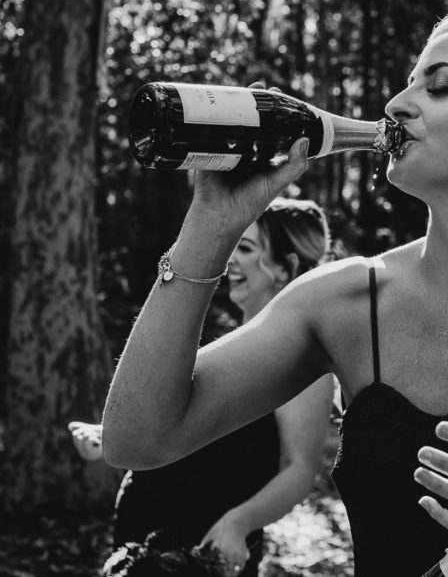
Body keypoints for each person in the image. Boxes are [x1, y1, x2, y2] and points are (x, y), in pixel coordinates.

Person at [102, 2, 448, 576]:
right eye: (407, 83)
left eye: (441, 86)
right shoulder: (341, 302)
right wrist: (210, 224)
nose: (397, 104)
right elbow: (137, 440)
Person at [73, 198, 335, 576]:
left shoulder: (301, 361)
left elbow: (298, 470)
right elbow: (183, 432)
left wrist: (239, 523)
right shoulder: (227, 342)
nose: (230, 259)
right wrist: (111, 438)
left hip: (208, 552)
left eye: (245, 248)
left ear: (286, 266)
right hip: (140, 537)